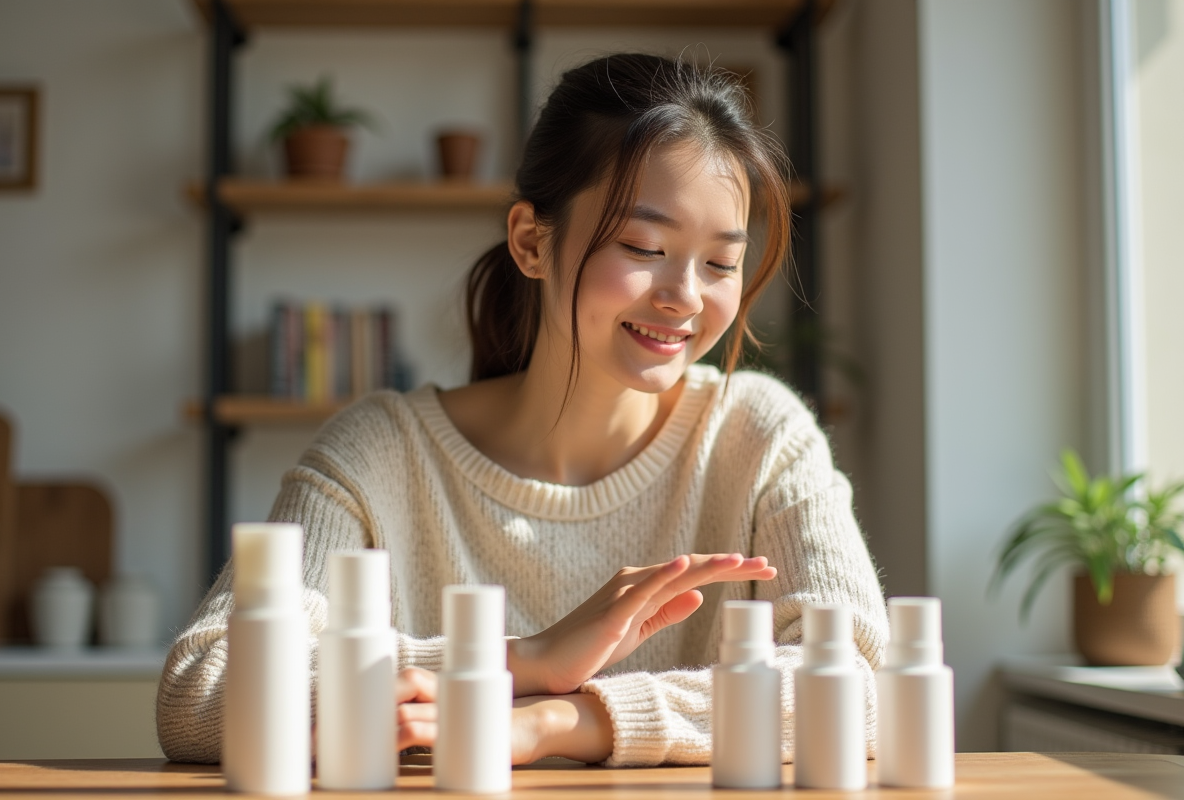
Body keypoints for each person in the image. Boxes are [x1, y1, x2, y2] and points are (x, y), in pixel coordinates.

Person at [157, 53, 888, 768]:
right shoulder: (381, 453)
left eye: (721, 263)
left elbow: (864, 692)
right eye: (644, 246)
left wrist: (556, 723)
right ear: (531, 242)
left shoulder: (759, 436)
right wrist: (524, 659)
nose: (686, 297)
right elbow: (200, 694)